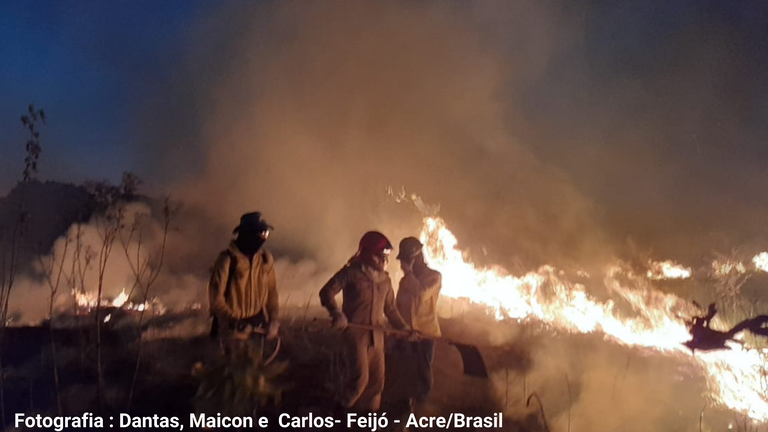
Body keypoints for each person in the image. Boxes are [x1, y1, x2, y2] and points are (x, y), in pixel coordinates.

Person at [319, 231, 412, 412]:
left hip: (377, 337)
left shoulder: (385, 280)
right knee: (359, 381)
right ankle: (338, 414)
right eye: (380, 255)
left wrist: (405, 328)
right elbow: (326, 292)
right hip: (355, 336)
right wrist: (336, 313)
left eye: (385, 256)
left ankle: (368, 420)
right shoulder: (351, 273)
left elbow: (390, 309)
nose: (384, 260)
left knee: (377, 383)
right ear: (370, 254)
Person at [208, 212, 280, 345]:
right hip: (230, 331)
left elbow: (272, 292)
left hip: (257, 326)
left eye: (266, 234)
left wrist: (274, 318)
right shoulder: (227, 260)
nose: (263, 238)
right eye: (261, 233)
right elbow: (216, 298)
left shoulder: (265, 259)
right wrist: (234, 322)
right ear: (248, 234)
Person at [394, 237, 442, 404]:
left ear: (417, 259)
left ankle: (421, 406)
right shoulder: (404, 281)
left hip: (426, 333)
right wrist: (398, 328)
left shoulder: (434, 277)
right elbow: (398, 306)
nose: (403, 265)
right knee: (403, 370)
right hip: (406, 333)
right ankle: (404, 405)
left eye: (406, 261)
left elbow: (421, 293)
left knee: (423, 372)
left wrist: (409, 274)